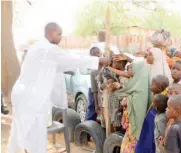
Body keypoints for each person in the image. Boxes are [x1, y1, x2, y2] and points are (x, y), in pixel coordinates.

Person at [7, 22, 110, 153]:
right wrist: (98, 61)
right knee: (34, 136)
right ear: (50, 33)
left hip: (24, 96)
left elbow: (63, 65)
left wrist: (93, 64)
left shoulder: (38, 47)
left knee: (24, 133)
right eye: (59, 34)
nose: (61, 37)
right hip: (30, 99)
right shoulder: (48, 49)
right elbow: (71, 59)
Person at [109, 58, 150, 153]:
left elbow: (129, 102)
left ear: (137, 69)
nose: (128, 70)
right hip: (130, 125)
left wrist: (122, 94)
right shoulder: (135, 81)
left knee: (131, 147)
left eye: (130, 68)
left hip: (135, 127)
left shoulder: (141, 89)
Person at [135, 75, 169, 153]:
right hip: (148, 127)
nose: (150, 85)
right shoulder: (156, 95)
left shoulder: (160, 101)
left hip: (152, 127)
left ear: (159, 88)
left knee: (148, 143)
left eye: (152, 84)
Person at [87, 47, 102, 121]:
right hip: (94, 92)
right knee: (92, 112)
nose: (97, 55)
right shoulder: (93, 71)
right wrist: (96, 104)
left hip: (104, 95)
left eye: (98, 52)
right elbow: (95, 90)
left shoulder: (108, 66)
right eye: (94, 54)